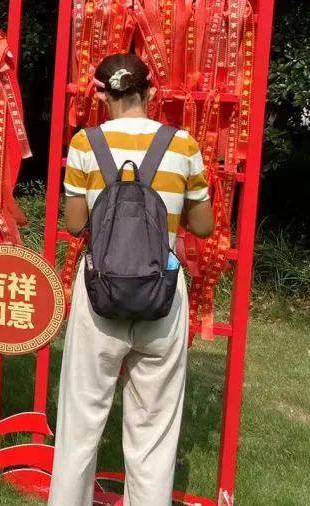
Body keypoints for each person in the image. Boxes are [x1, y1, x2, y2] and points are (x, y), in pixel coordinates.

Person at [48, 52, 214, 506]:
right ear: (150, 92)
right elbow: (203, 227)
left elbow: (75, 223)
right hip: (162, 296)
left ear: (102, 95)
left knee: (81, 419)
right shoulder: (182, 145)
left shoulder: (85, 143)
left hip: (100, 295)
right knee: (154, 428)